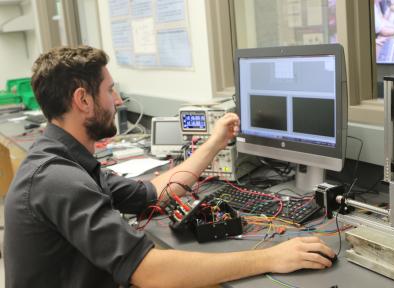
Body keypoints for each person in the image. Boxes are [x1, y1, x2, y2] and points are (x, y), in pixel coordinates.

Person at [4, 46, 335, 288]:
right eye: (110, 89)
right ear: (83, 100)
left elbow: (152, 193)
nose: (118, 100)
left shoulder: (66, 160)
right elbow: (149, 271)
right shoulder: (58, 179)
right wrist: (271, 256)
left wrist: (215, 142)